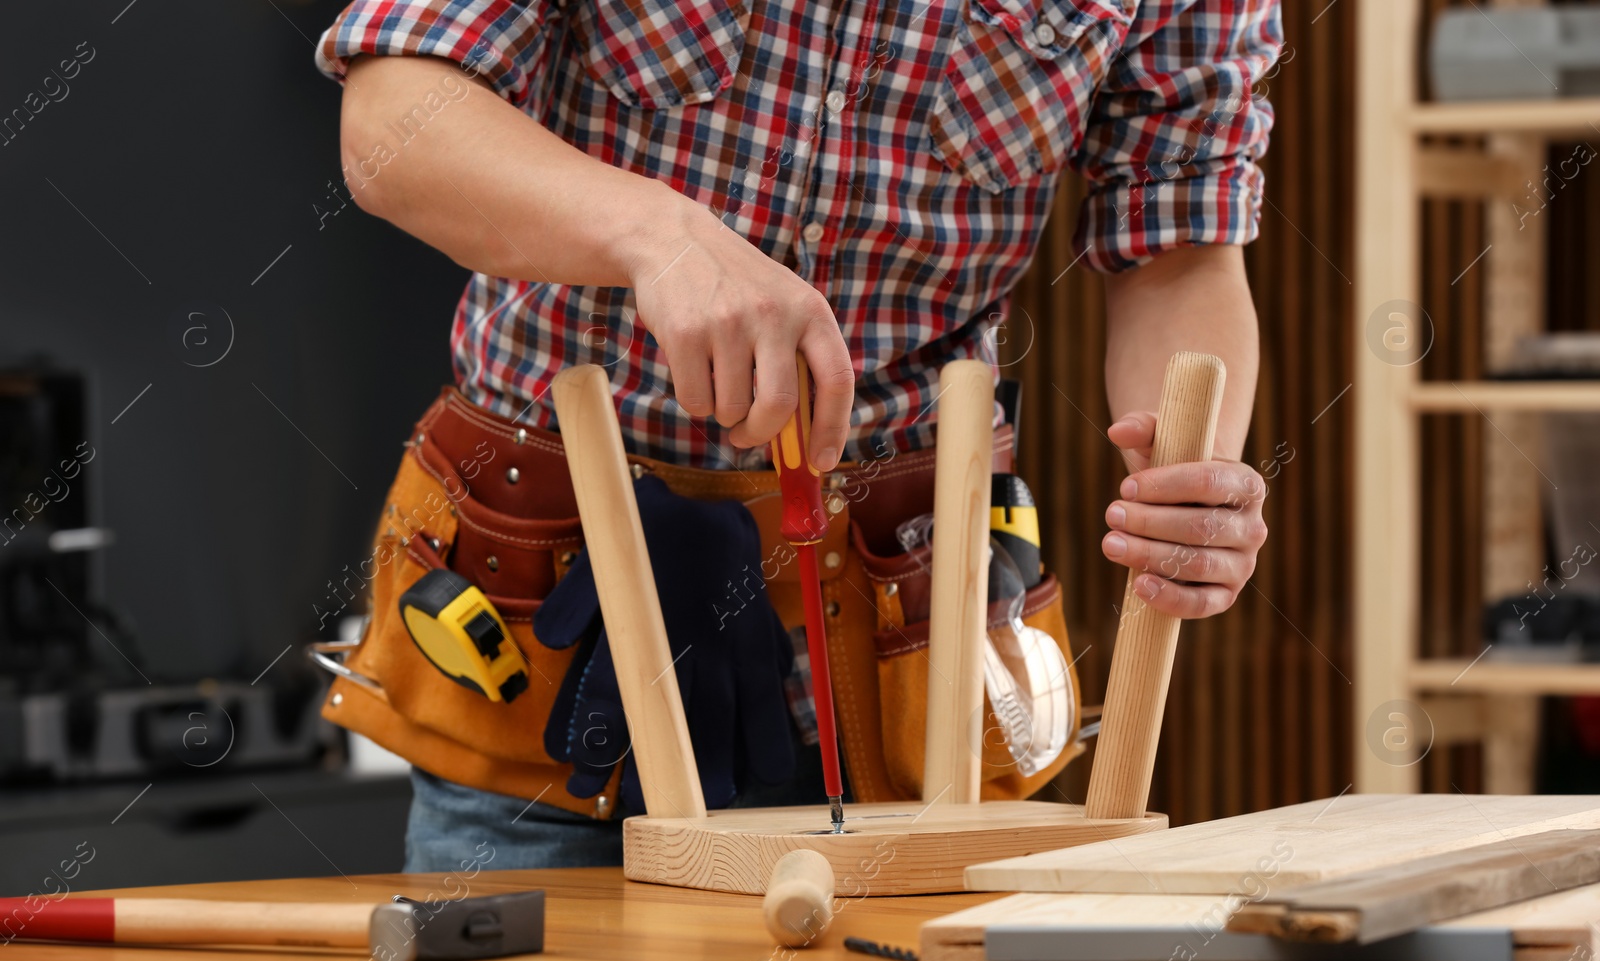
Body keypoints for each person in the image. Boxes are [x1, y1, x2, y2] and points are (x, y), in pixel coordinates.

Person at [312, 0, 1281, 872]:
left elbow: (1179, 245)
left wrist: (1191, 481)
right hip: (553, 628)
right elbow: (397, 117)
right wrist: (659, 236)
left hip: (910, 641)